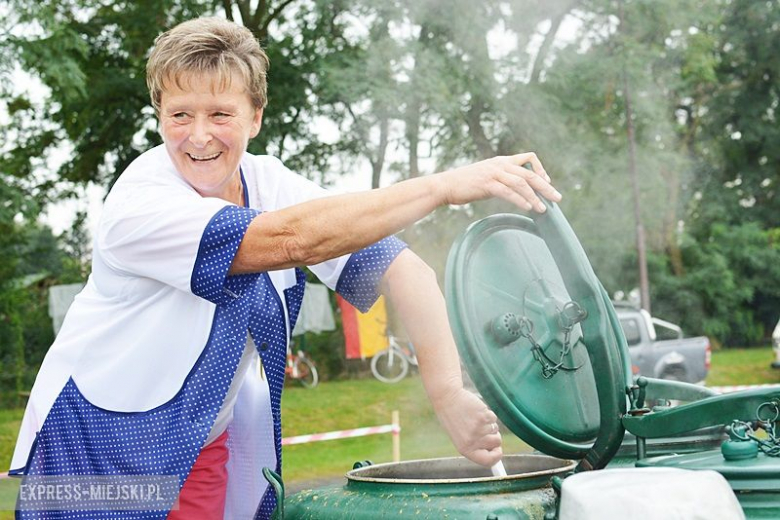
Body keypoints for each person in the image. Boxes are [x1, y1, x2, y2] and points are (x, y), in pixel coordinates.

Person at [9, 17, 562, 520]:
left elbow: (404, 271)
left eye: (220, 114)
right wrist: (442, 187)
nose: (198, 136)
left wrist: (448, 394)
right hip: (91, 447)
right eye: (179, 115)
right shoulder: (140, 204)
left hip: (201, 444)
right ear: (159, 114)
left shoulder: (271, 181)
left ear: (255, 116)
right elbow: (292, 239)